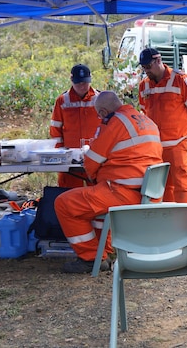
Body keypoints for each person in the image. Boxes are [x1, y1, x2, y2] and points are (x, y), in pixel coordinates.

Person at [54, 91, 163, 273]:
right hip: (149, 193)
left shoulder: (115, 123)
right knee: (95, 205)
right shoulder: (146, 121)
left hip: (124, 193)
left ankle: (90, 258)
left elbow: (91, 161)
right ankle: (105, 252)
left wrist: (94, 175)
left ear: (103, 112)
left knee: (64, 203)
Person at [138, 47, 187, 204]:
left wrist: (185, 128)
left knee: (182, 182)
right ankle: (168, 219)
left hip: (177, 143)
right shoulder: (144, 86)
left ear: (158, 61)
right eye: (144, 67)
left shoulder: (180, 79)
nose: (146, 71)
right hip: (155, 146)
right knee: (160, 184)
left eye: (148, 67)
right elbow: (144, 111)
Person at [49, 64, 102, 188]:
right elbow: (55, 130)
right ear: (72, 81)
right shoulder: (62, 101)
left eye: (85, 82)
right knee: (67, 192)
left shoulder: (100, 99)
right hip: (69, 158)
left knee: (98, 192)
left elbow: (110, 127)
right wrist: (61, 153)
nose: (82, 86)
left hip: (96, 156)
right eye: (79, 83)